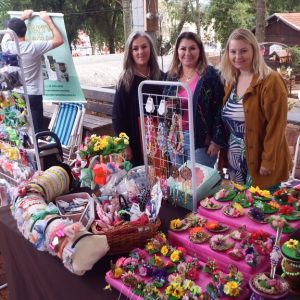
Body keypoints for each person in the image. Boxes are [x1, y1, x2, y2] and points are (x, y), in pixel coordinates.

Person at [220, 28, 292, 189]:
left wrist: (268, 161)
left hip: (260, 162)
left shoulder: (270, 80)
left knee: (260, 211)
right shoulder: (232, 80)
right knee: (238, 210)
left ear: (254, 50)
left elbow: (276, 126)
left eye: (243, 50)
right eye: (233, 51)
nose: (238, 56)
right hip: (234, 161)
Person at [164, 31, 225, 168]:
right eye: (183, 48)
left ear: (200, 50)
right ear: (177, 51)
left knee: (198, 186)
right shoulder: (171, 76)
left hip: (200, 140)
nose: (187, 53)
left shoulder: (211, 76)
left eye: (192, 48)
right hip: (175, 139)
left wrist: (216, 141)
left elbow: (220, 110)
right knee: (179, 185)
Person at [2, 9, 63, 134]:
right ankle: (38, 150)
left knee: (19, 128)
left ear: (12, 33)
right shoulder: (33, 47)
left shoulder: (6, 45)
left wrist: (23, 16)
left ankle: (25, 151)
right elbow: (59, 40)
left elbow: (9, 34)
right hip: (32, 94)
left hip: (15, 94)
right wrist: (48, 21)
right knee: (37, 130)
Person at [112, 31, 163, 167]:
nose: (140, 52)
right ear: (130, 53)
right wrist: (125, 145)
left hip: (158, 141)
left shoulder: (160, 76)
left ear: (150, 49)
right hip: (135, 141)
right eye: (135, 48)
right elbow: (117, 116)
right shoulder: (125, 80)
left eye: (144, 47)